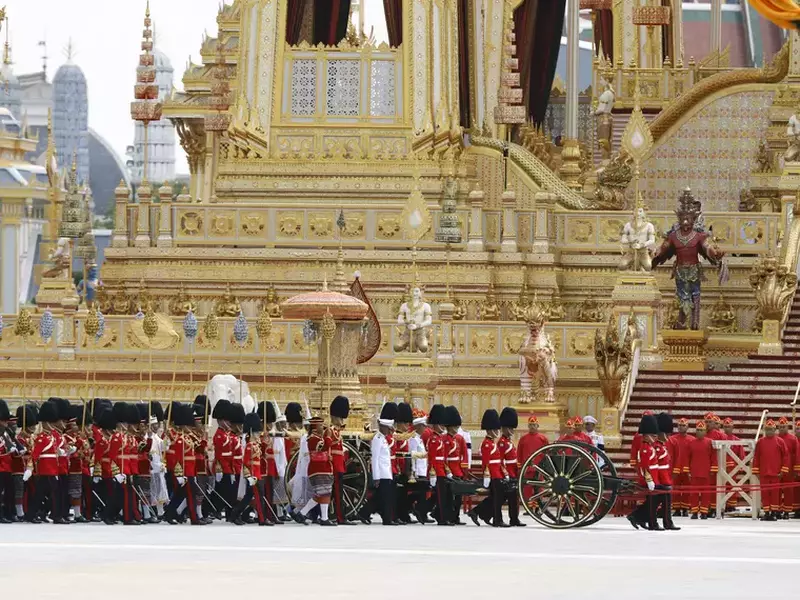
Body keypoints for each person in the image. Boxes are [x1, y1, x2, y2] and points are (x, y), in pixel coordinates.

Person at [294, 415, 336, 526]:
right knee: (323, 493)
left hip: (323, 467)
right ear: (316, 426)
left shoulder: (317, 437)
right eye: (321, 425)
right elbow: (323, 448)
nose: (323, 427)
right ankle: (322, 518)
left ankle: (305, 514)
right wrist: (328, 437)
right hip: (318, 469)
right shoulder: (313, 438)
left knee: (321, 494)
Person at [30, 400, 67, 524]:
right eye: (50, 422)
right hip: (45, 470)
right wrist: (30, 469)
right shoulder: (41, 438)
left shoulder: (51, 437)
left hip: (52, 469)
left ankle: (51, 515)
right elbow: (35, 455)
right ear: (45, 423)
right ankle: (34, 514)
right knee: (41, 494)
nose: (52, 425)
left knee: (51, 494)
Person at [229, 412, 268, 526]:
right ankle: (261, 519)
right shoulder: (250, 446)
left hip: (257, 474)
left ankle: (235, 515)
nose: (258, 435)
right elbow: (246, 463)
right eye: (256, 432)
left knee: (249, 498)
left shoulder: (255, 445)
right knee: (258, 498)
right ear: (251, 432)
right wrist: (249, 476)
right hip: (253, 475)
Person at [473, 408, 508, 528]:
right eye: (495, 429)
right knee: (497, 498)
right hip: (492, 474)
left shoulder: (492, 443)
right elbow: (486, 462)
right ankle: (497, 520)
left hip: (497, 472)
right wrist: (486, 475)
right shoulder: (486, 444)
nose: (497, 431)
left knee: (497, 497)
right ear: (490, 430)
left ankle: (478, 512)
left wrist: (504, 472)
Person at [627, 413, 659, 530]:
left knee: (652, 499)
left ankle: (641, 518)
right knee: (652, 499)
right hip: (647, 473)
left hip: (652, 472)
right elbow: (641, 459)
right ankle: (638, 516)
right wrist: (647, 477)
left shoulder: (649, 442)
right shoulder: (642, 442)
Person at [753, 419, 789, 521]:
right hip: (764, 473)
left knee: (774, 494)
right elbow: (756, 456)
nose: (769, 431)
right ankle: (767, 512)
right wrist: (756, 471)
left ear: (774, 430)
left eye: (771, 429)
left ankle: (774, 512)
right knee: (764, 494)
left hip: (775, 473)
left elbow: (785, 457)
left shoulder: (780, 441)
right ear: (765, 430)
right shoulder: (760, 442)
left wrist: (783, 470)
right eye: (767, 429)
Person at [329, 395, 354, 525]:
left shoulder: (336, 431)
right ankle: (340, 517)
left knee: (335, 493)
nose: (341, 421)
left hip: (339, 464)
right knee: (336, 493)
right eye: (339, 418)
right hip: (334, 465)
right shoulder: (331, 431)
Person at [497, 407, 524, 527]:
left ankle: (514, 519)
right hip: (507, 473)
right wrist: (506, 474)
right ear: (504, 428)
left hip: (513, 472)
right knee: (504, 498)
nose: (512, 430)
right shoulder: (502, 443)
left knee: (514, 499)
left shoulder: (508, 441)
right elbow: (500, 460)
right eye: (510, 428)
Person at [426, 404, 451, 526]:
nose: (443, 427)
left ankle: (440, 515)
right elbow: (431, 457)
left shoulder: (439, 438)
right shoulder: (433, 439)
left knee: (443, 495)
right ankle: (442, 518)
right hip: (436, 470)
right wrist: (432, 472)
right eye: (441, 424)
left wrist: (446, 469)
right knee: (441, 496)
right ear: (436, 424)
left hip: (441, 469)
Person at [654, 413, 680, 531]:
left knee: (665, 500)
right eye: (667, 433)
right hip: (659, 477)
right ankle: (665, 521)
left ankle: (667, 522)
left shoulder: (661, 445)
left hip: (665, 477)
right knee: (658, 500)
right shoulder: (656, 446)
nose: (669, 436)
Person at [444, 405, 468, 526]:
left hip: (457, 470)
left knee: (458, 497)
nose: (456, 428)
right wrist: (447, 470)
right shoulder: (444, 439)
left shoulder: (459, 438)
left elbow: (464, 455)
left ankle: (456, 516)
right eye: (455, 426)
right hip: (449, 470)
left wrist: (464, 470)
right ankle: (448, 516)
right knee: (449, 497)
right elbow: (443, 457)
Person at [370, 411, 396, 525]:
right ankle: (387, 519)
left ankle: (364, 513)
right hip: (381, 473)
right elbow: (375, 458)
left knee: (382, 497)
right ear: (383, 427)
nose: (389, 430)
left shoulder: (384, 438)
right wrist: (376, 476)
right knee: (384, 498)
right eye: (388, 428)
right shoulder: (378, 439)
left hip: (386, 472)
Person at [687, 420, 716, 520]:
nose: (699, 432)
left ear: (705, 431)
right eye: (698, 430)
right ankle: (694, 511)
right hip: (694, 472)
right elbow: (688, 458)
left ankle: (704, 512)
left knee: (706, 493)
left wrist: (713, 469)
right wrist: (688, 470)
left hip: (706, 472)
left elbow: (713, 457)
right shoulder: (691, 443)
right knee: (694, 493)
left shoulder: (709, 442)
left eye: (701, 430)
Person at [669, 418, 694, 517]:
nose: (681, 427)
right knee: (675, 490)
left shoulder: (692, 439)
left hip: (687, 468)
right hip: (675, 468)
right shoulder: (673, 439)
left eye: (683, 425)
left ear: (687, 427)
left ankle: (685, 508)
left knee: (687, 490)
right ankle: (676, 509)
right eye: (679, 425)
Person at [776, 417, 798, 519]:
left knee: (789, 490)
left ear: (787, 427)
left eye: (784, 427)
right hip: (777, 468)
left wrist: (796, 469)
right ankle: (778, 509)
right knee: (777, 490)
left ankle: (787, 511)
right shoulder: (775, 439)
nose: (782, 429)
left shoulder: (793, 439)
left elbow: (797, 454)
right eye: (780, 427)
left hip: (789, 469)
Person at [722, 417, 744, 513]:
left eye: (729, 427)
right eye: (725, 427)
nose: (727, 429)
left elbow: (741, 455)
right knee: (722, 486)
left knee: (732, 486)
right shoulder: (720, 438)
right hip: (722, 467)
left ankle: (731, 505)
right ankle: (723, 503)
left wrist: (740, 466)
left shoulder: (737, 440)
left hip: (733, 467)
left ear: (732, 427)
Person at [0, 400, 16, 523]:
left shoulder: (5, 433)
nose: (6, 423)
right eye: (4, 420)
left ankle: (8, 512)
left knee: (9, 492)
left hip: (7, 467)